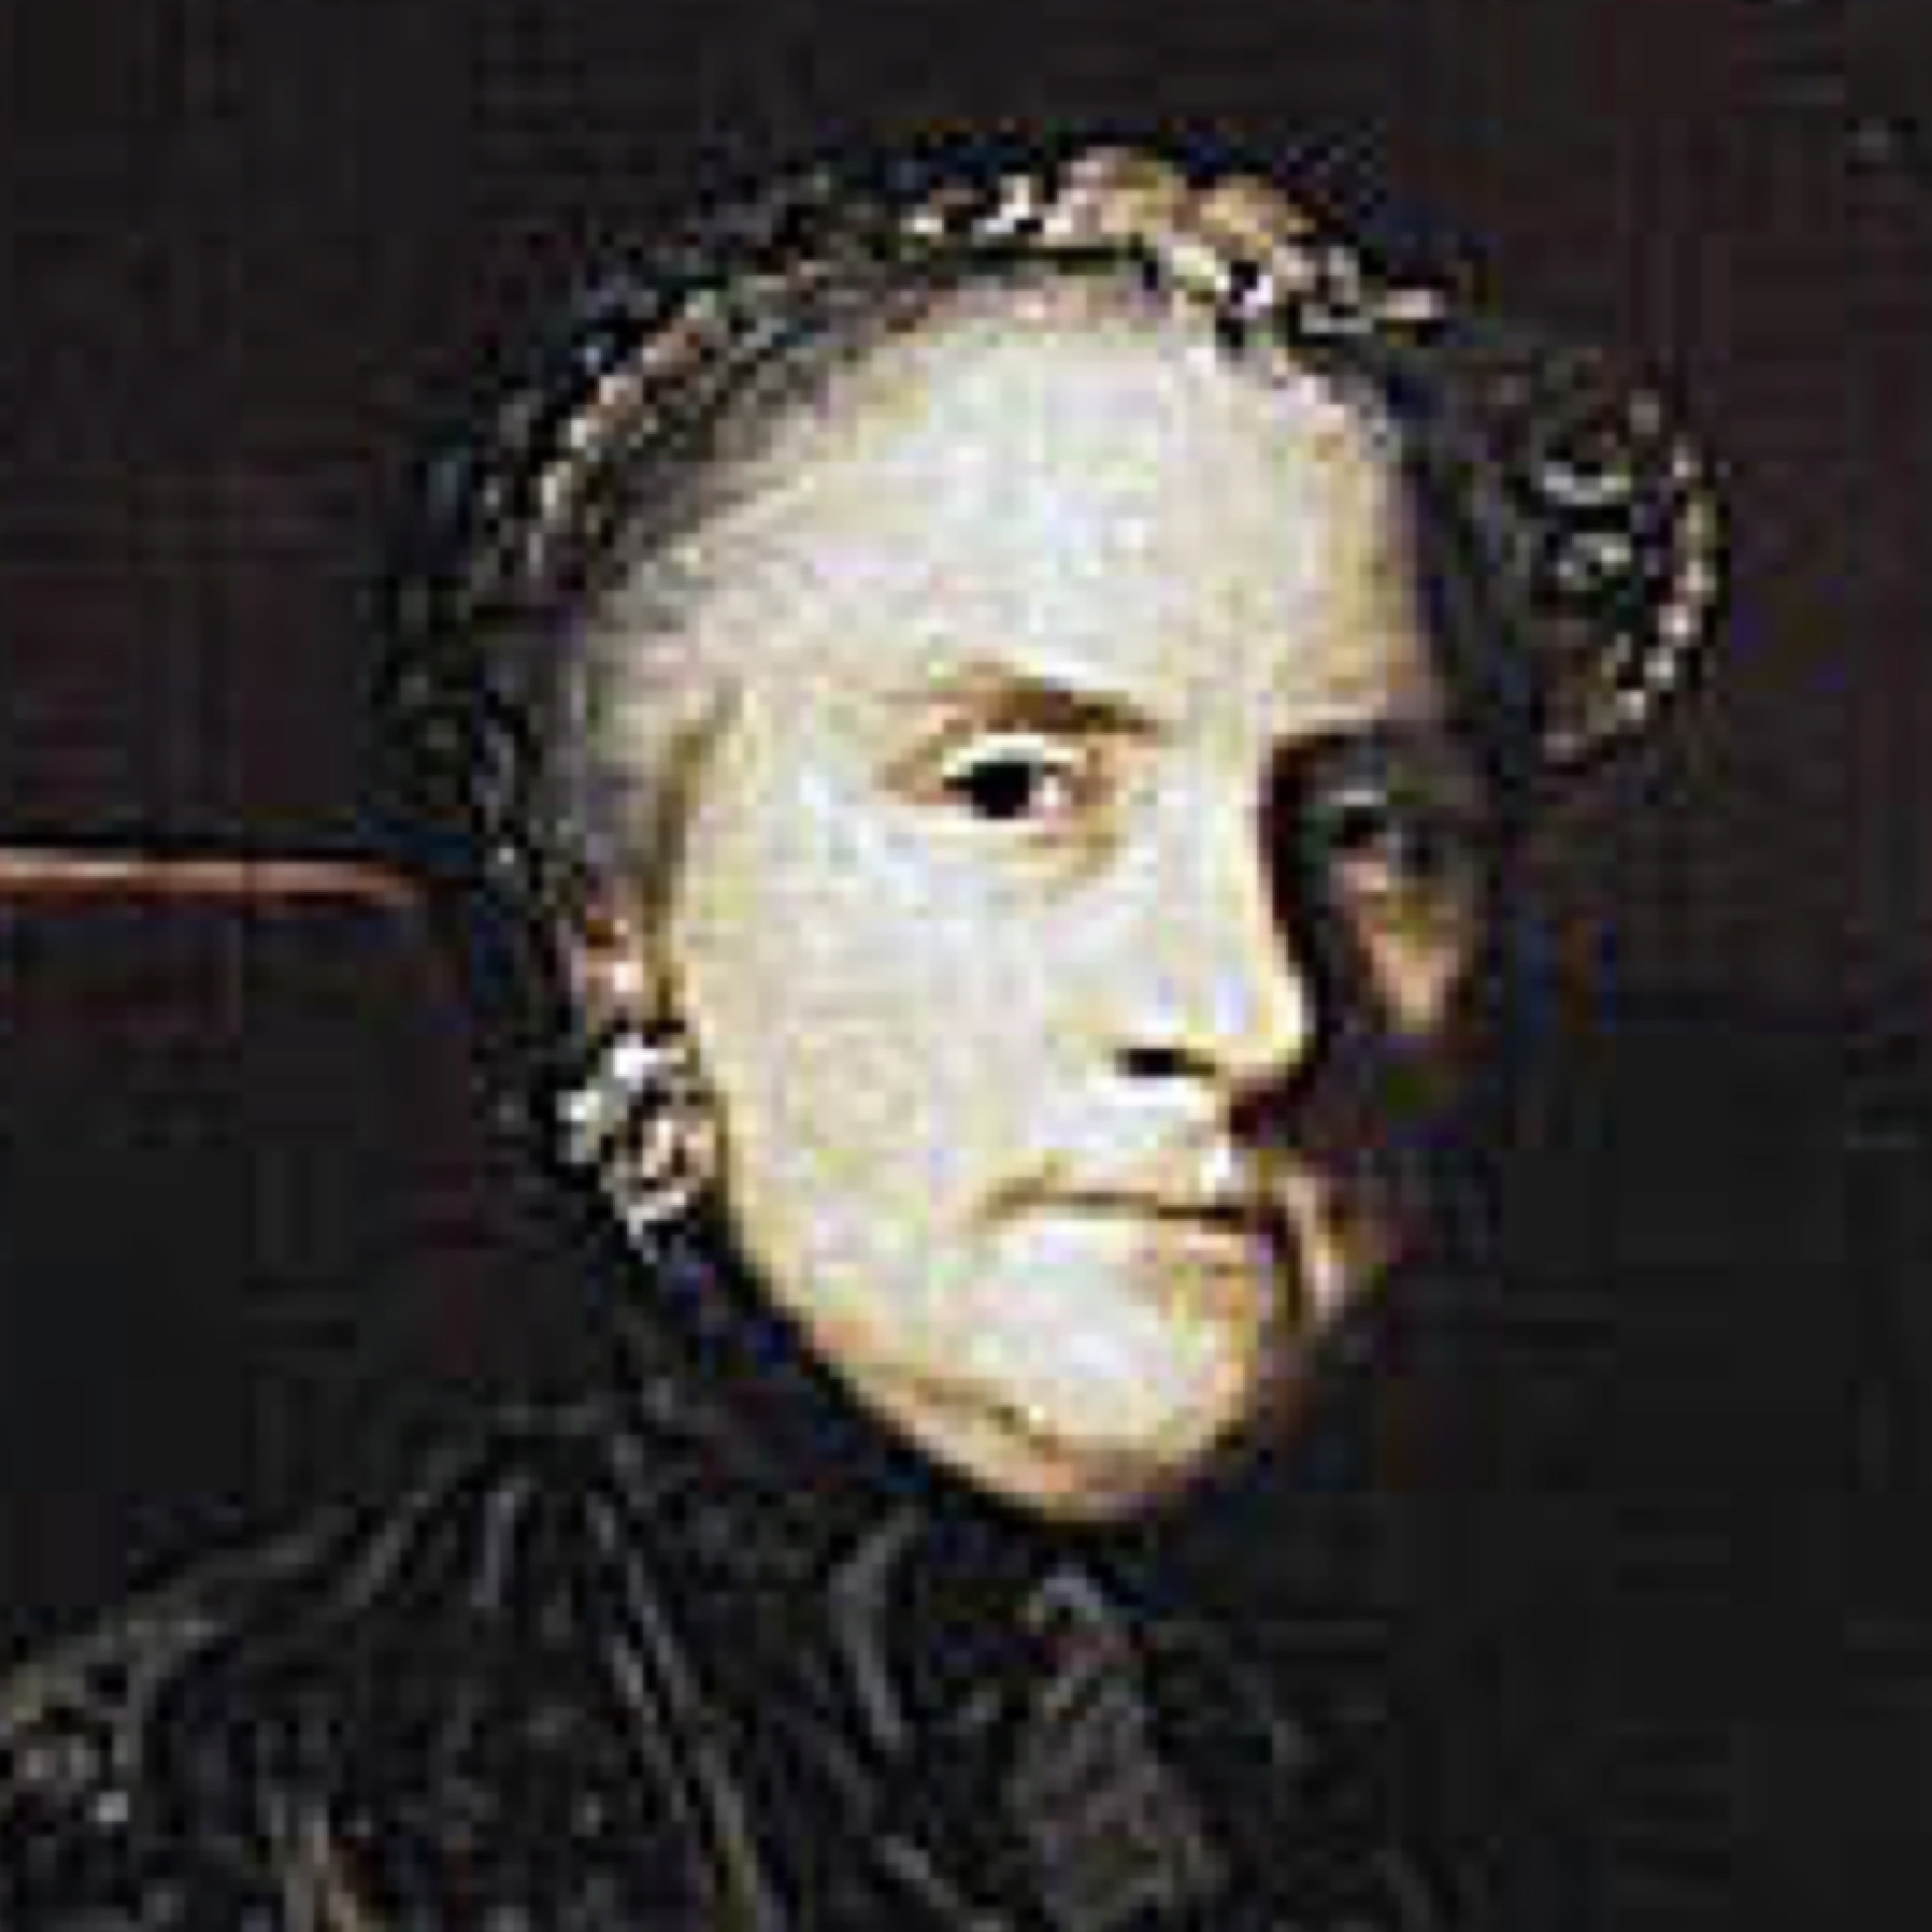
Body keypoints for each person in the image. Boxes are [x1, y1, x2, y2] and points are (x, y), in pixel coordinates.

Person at [0, 138, 1720, 1927]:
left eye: (1374, 833)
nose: (1255, 1012)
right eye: (1014, 790)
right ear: (613, 921)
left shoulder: (1613, 1748)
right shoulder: (231, 1817)